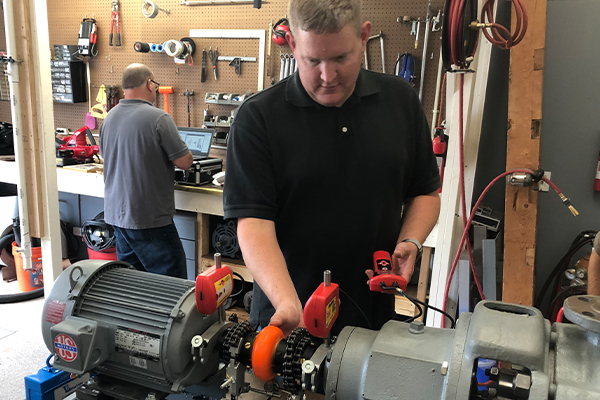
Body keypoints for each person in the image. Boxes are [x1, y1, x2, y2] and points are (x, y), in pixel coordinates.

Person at [224, 0, 441, 336]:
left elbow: (425, 192)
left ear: (364, 36)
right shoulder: (258, 118)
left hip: (374, 311)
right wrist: (286, 302)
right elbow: (253, 223)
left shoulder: (401, 101)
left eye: (341, 58)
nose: (327, 76)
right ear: (293, 45)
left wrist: (410, 241)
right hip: (289, 310)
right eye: (313, 60)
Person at [100, 63, 193, 278]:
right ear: (150, 84)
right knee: (173, 283)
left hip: (117, 216)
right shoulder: (159, 118)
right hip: (148, 217)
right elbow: (185, 162)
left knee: (133, 281)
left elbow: (109, 156)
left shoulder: (109, 118)